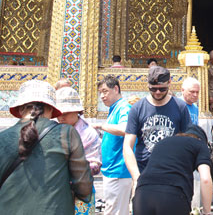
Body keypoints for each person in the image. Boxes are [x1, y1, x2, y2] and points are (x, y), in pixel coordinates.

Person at [0, 80, 92, 214]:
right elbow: (83, 184)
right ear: (51, 108)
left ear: (20, 109)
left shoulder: (2, 138)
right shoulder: (66, 133)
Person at [124, 66, 191, 182]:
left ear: (169, 83)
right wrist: (136, 177)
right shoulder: (137, 108)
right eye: (153, 89)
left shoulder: (180, 107)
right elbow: (127, 145)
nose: (158, 92)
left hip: (172, 171)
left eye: (162, 89)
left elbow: (188, 140)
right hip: (144, 170)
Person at [132, 125, 213, 215]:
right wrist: (207, 212)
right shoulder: (200, 144)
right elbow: (205, 179)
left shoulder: (162, 142)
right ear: (201, 139)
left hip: (142, 193)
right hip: (172, 194)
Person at [56, 87, 101, 215]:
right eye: (58, 113)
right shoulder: (53, 130)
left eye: (65, 113)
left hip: (81, 190)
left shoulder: (89, 134)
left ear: (76, 111)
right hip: (58, 190)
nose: (61, 117)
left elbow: (95, 164)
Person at [94, 75, 133, 215]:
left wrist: (101, 125)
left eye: (105, 91)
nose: (102, 96)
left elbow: (125, 129)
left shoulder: (124, 108)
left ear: (115, 89)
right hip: (112, 169)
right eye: (100, 93)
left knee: (114, 211)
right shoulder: (114, 109)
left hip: (118, 170)